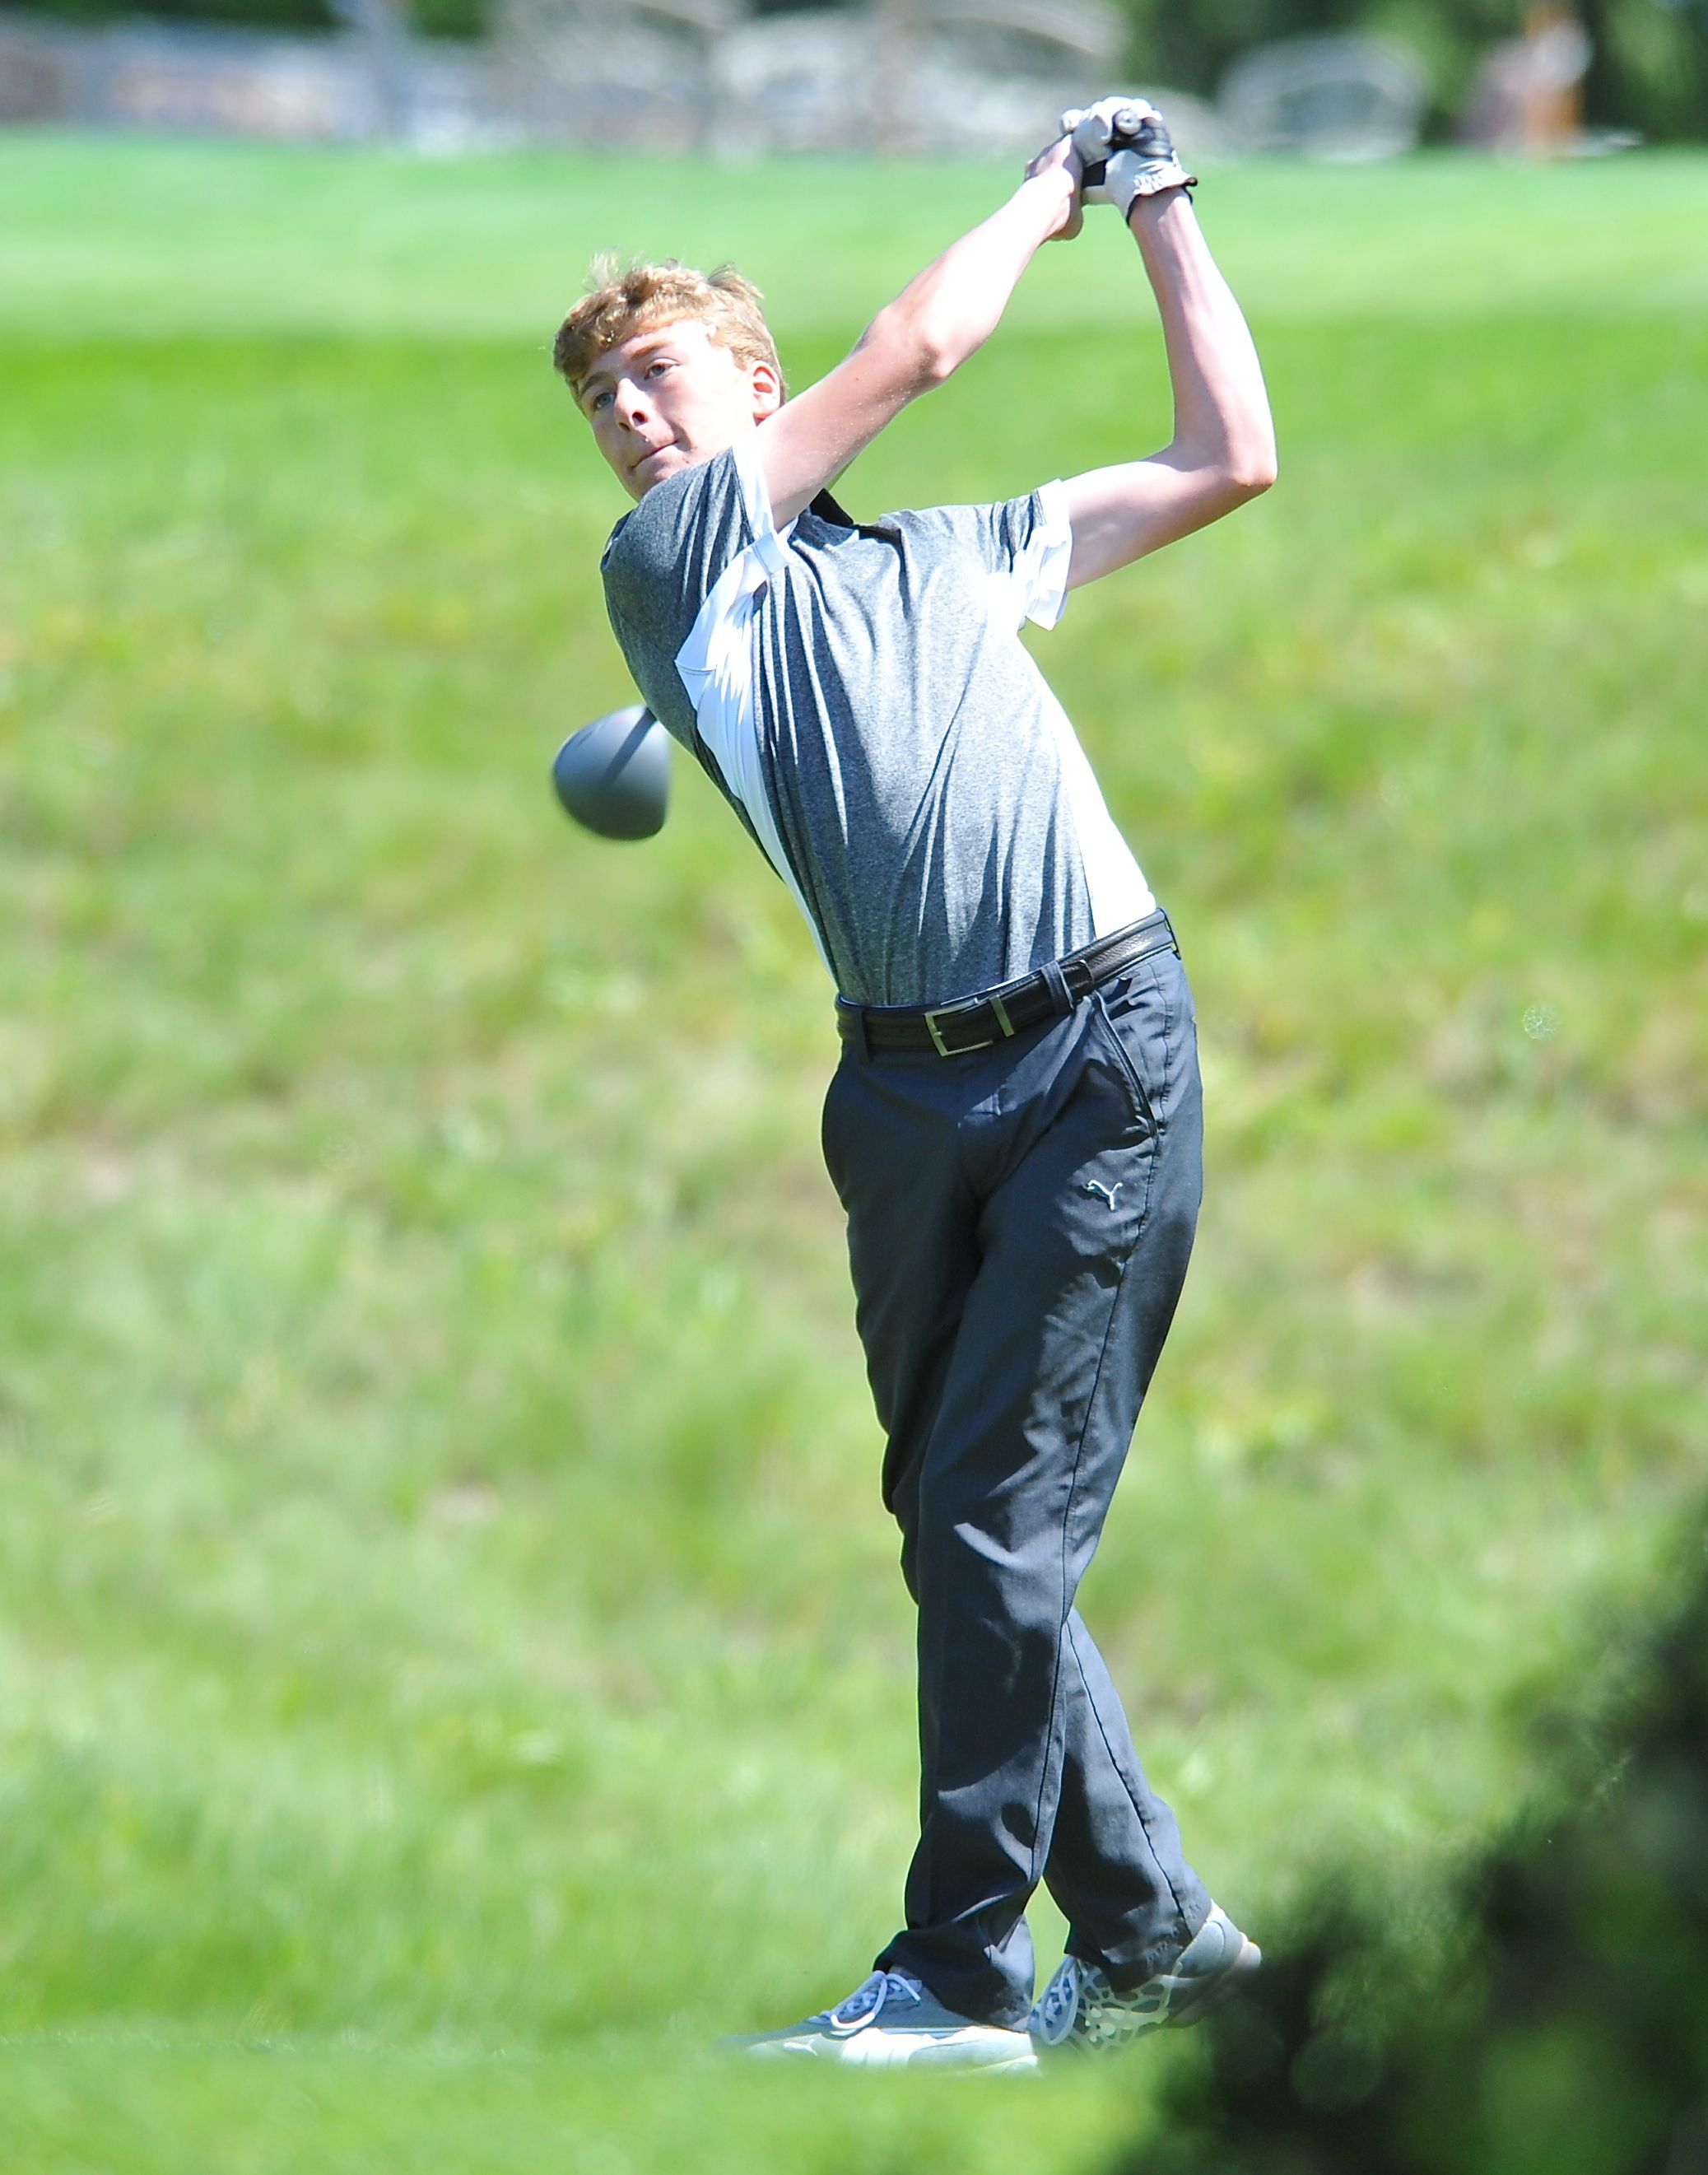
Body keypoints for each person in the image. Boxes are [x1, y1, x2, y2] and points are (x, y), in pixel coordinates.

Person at [554, 100, 1276, 2069]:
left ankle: (959, 1974)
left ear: (748, 380)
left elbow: (1235, 458)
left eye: (657, 372)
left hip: (1094, 1051)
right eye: (603, 396)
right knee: (962, 1517)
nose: (628, 414)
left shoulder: (963, 562)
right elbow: (926, 348)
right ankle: (1149, 1940)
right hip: (896, 1102)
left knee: (989, 1519)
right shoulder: (672, 571)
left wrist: (1155, 211)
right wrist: (1046, 184)